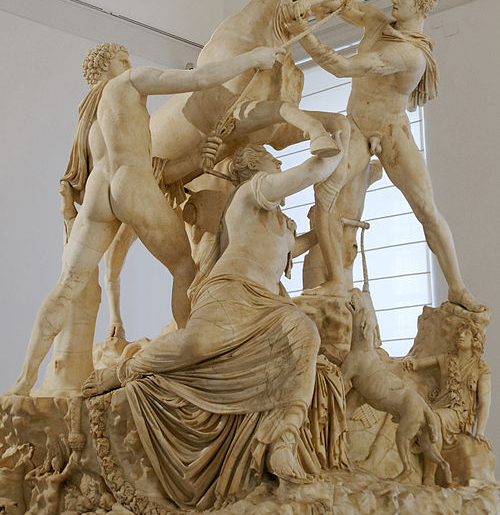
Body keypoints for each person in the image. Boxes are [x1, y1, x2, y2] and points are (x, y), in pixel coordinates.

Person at [82, 136, 347, 508]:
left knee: (305, 333)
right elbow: (311, 170)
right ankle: (123, 371)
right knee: (196, 345)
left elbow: (293, 247)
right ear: (253, 167)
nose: (277, 164)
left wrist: (326, 227)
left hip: (269, 306)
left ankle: (283, 439)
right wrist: (337, 144)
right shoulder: (250, 193)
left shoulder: (281, 223)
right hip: (231, 293)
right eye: (270, 159)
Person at [6, 42, 283, 397]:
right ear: (107, 65)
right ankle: (192, 363)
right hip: (130, 183)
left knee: (66, 286)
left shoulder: (88, 115)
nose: (129, 63)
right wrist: (252, 58)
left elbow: (147, 164)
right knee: (184, 267)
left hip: (99, 191)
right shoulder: (128, 82)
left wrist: (196, 160)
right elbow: (198, 79)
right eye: (123, 59)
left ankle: (24, 380)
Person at [286, 0, 484, 312]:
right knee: (325, 191)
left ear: (420, 6)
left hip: (392, 131)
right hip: (356, 126)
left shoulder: (410, 55)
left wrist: (301, 32)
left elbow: (342, 67)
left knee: (426, 210)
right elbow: (342, 7)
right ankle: (335, 279)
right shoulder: (377, 22)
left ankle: (457, 287)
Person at [403, 320, 491, 483]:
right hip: (438, 406)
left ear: (474, 340)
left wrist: (480, 432)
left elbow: (485, 403)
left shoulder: (481, 368)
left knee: (433, 419)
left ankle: (429, 476)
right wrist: (409, 360)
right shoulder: (445, 359)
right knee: (418, 417)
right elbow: (418, 364)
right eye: (459, 333)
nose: (461, 336)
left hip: (459, 415)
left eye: (467, 333)